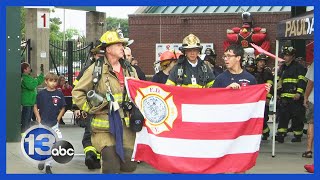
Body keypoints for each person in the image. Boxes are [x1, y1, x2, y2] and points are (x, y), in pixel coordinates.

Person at [72, 30, 139, 174]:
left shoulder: (130, 70)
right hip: (104, 128)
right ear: (108, 49)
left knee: (129, 166)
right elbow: (77, 93)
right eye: (119, 44)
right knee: (111, 165)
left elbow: (139, 92)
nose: (123, 47)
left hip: (127, 127)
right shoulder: (95, 70)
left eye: (123, 44)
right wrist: (91, 108)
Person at [72, 44, 103, 170]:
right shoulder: (87, 70)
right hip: (90, 107)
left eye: (102, 55)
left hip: (104, 108)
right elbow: (77, 89)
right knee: (90, 132)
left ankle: (95, 157)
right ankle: (91, 155)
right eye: (98, 55)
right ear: (94, 56)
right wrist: (77, 107)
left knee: (102, 133)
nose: (101, 57)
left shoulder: (109, 69)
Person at [34, 72, 66, 174]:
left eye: (55, 81)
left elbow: (63, 107)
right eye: (51, 81)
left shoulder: (59, 94)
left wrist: (58, 118)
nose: (53, 83)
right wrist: (38, 117)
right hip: (43, 122)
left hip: (54, 123)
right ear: (46, 81)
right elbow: (35, 106)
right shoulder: (41, 94)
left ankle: (48, 165)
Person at [275, 46, 307, 143]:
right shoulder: (282, 68)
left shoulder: (299, 67)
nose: (285, 57)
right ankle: (281, 135)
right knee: (283, 117)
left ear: (293, 56)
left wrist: (299, 92)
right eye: (284, 55)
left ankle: (297, 136)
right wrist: (277, 93)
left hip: (295, 98)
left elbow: (302, 81)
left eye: (287, 55)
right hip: (284, 97)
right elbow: (278, 81)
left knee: (297, 117)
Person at [252, 53, 274, 140]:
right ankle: (263, 132)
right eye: (260, 61)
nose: (262, 63)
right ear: (257, 62)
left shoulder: (267, 73)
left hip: (264, 99)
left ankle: (266, 132)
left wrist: (268, 98)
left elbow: (270, 87)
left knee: (263, 117)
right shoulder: (252, 72)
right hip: (254, 99)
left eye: (264, 62)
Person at [21, 62, 44, 136]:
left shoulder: (29, 78)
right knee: (25, 119)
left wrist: (41, 75)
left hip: (31, 101)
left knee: (28, 119)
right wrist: (36, 80)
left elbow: (38, 82)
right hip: (26, 101)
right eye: (28, 68)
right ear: (24, 69)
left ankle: (26, 132)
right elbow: (31, 86)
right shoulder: (24, 78)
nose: (30, 69)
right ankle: (23, 133)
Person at [302, 62, 314, 158]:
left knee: (312, 123)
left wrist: (305, 97)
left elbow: (310, 83)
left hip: (314, 99)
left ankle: (309, 150)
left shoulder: (315, 64)